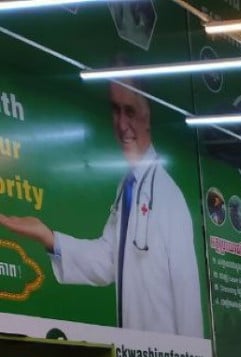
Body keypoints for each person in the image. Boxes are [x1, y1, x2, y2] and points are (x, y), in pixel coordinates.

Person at [0, 82, 204, 338]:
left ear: (147, 115)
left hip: (168, 354)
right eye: (116, 111)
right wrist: (49, 238)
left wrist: (191, 356)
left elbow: (187, 292)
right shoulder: (126, 187)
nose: (122, 124)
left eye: (130, 111)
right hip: (137, 350)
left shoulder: (169, 197)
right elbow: (109, 259)